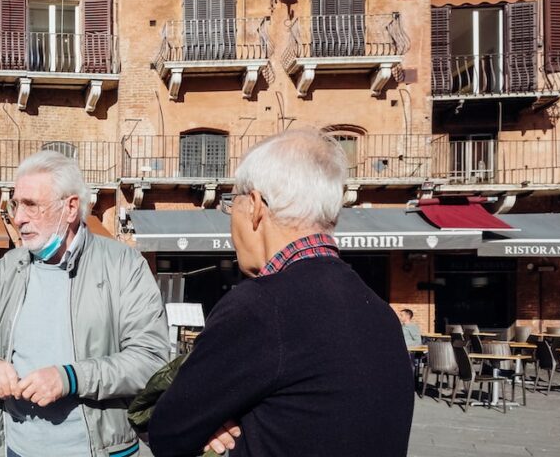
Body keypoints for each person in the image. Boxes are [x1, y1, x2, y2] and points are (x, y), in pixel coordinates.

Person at [148, 129, 414, 457]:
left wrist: (222, 423)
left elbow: (168, 431)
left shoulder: (258, 307)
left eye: (231, 203)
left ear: (256, 206)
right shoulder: (381, 313)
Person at [0, 151, 169, 457]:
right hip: (12, 448)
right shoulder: (7, 267)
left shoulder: (124, 265)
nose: (18, 217)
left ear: (70, 208)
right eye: (15, 205)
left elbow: (151, 359)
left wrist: (70, 378)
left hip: (97, 450)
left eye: (31, 205)